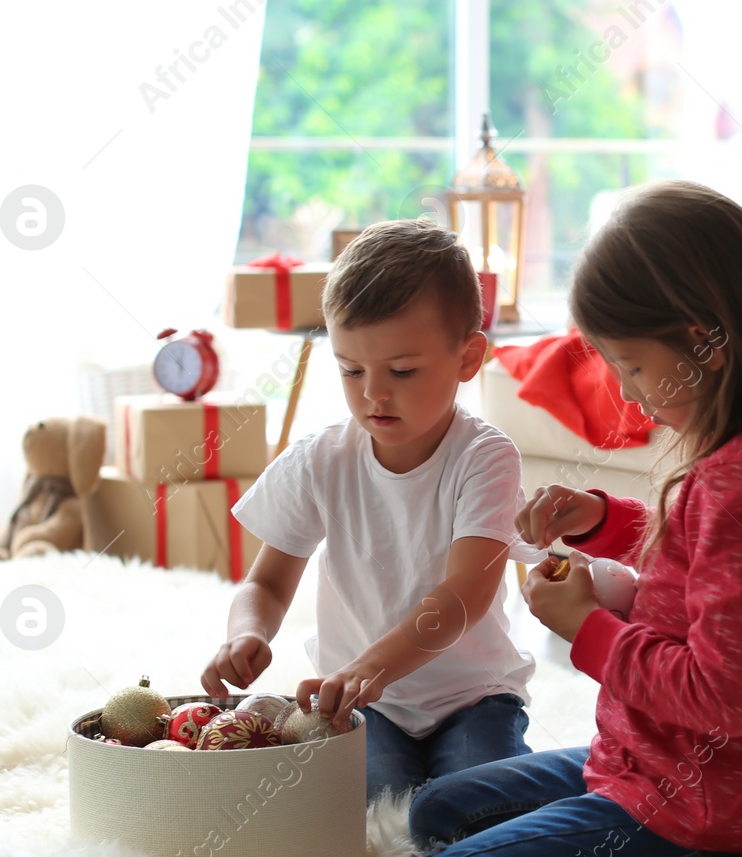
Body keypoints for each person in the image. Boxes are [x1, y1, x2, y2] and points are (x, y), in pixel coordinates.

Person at [384, 180, 742, 857]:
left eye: (634, 366)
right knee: (442, 810)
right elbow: (705, 567)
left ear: (704, 342)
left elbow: (722, 698)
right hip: (682, 770)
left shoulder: (736, 491)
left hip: (690, 805)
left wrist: (585, 627)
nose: (628, 392)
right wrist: (600, 520)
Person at [200, 219, 541, 803]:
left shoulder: (485, 457)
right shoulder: (320, 459)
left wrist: (373, 665)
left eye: (402, 371)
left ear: (468, 357)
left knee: (476, 801)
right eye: (351, 370)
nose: (373, 394)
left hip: (473, 694)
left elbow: (464, 595)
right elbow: (267, 583)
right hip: (359, 699)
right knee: (374, 805)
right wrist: (247, 631)